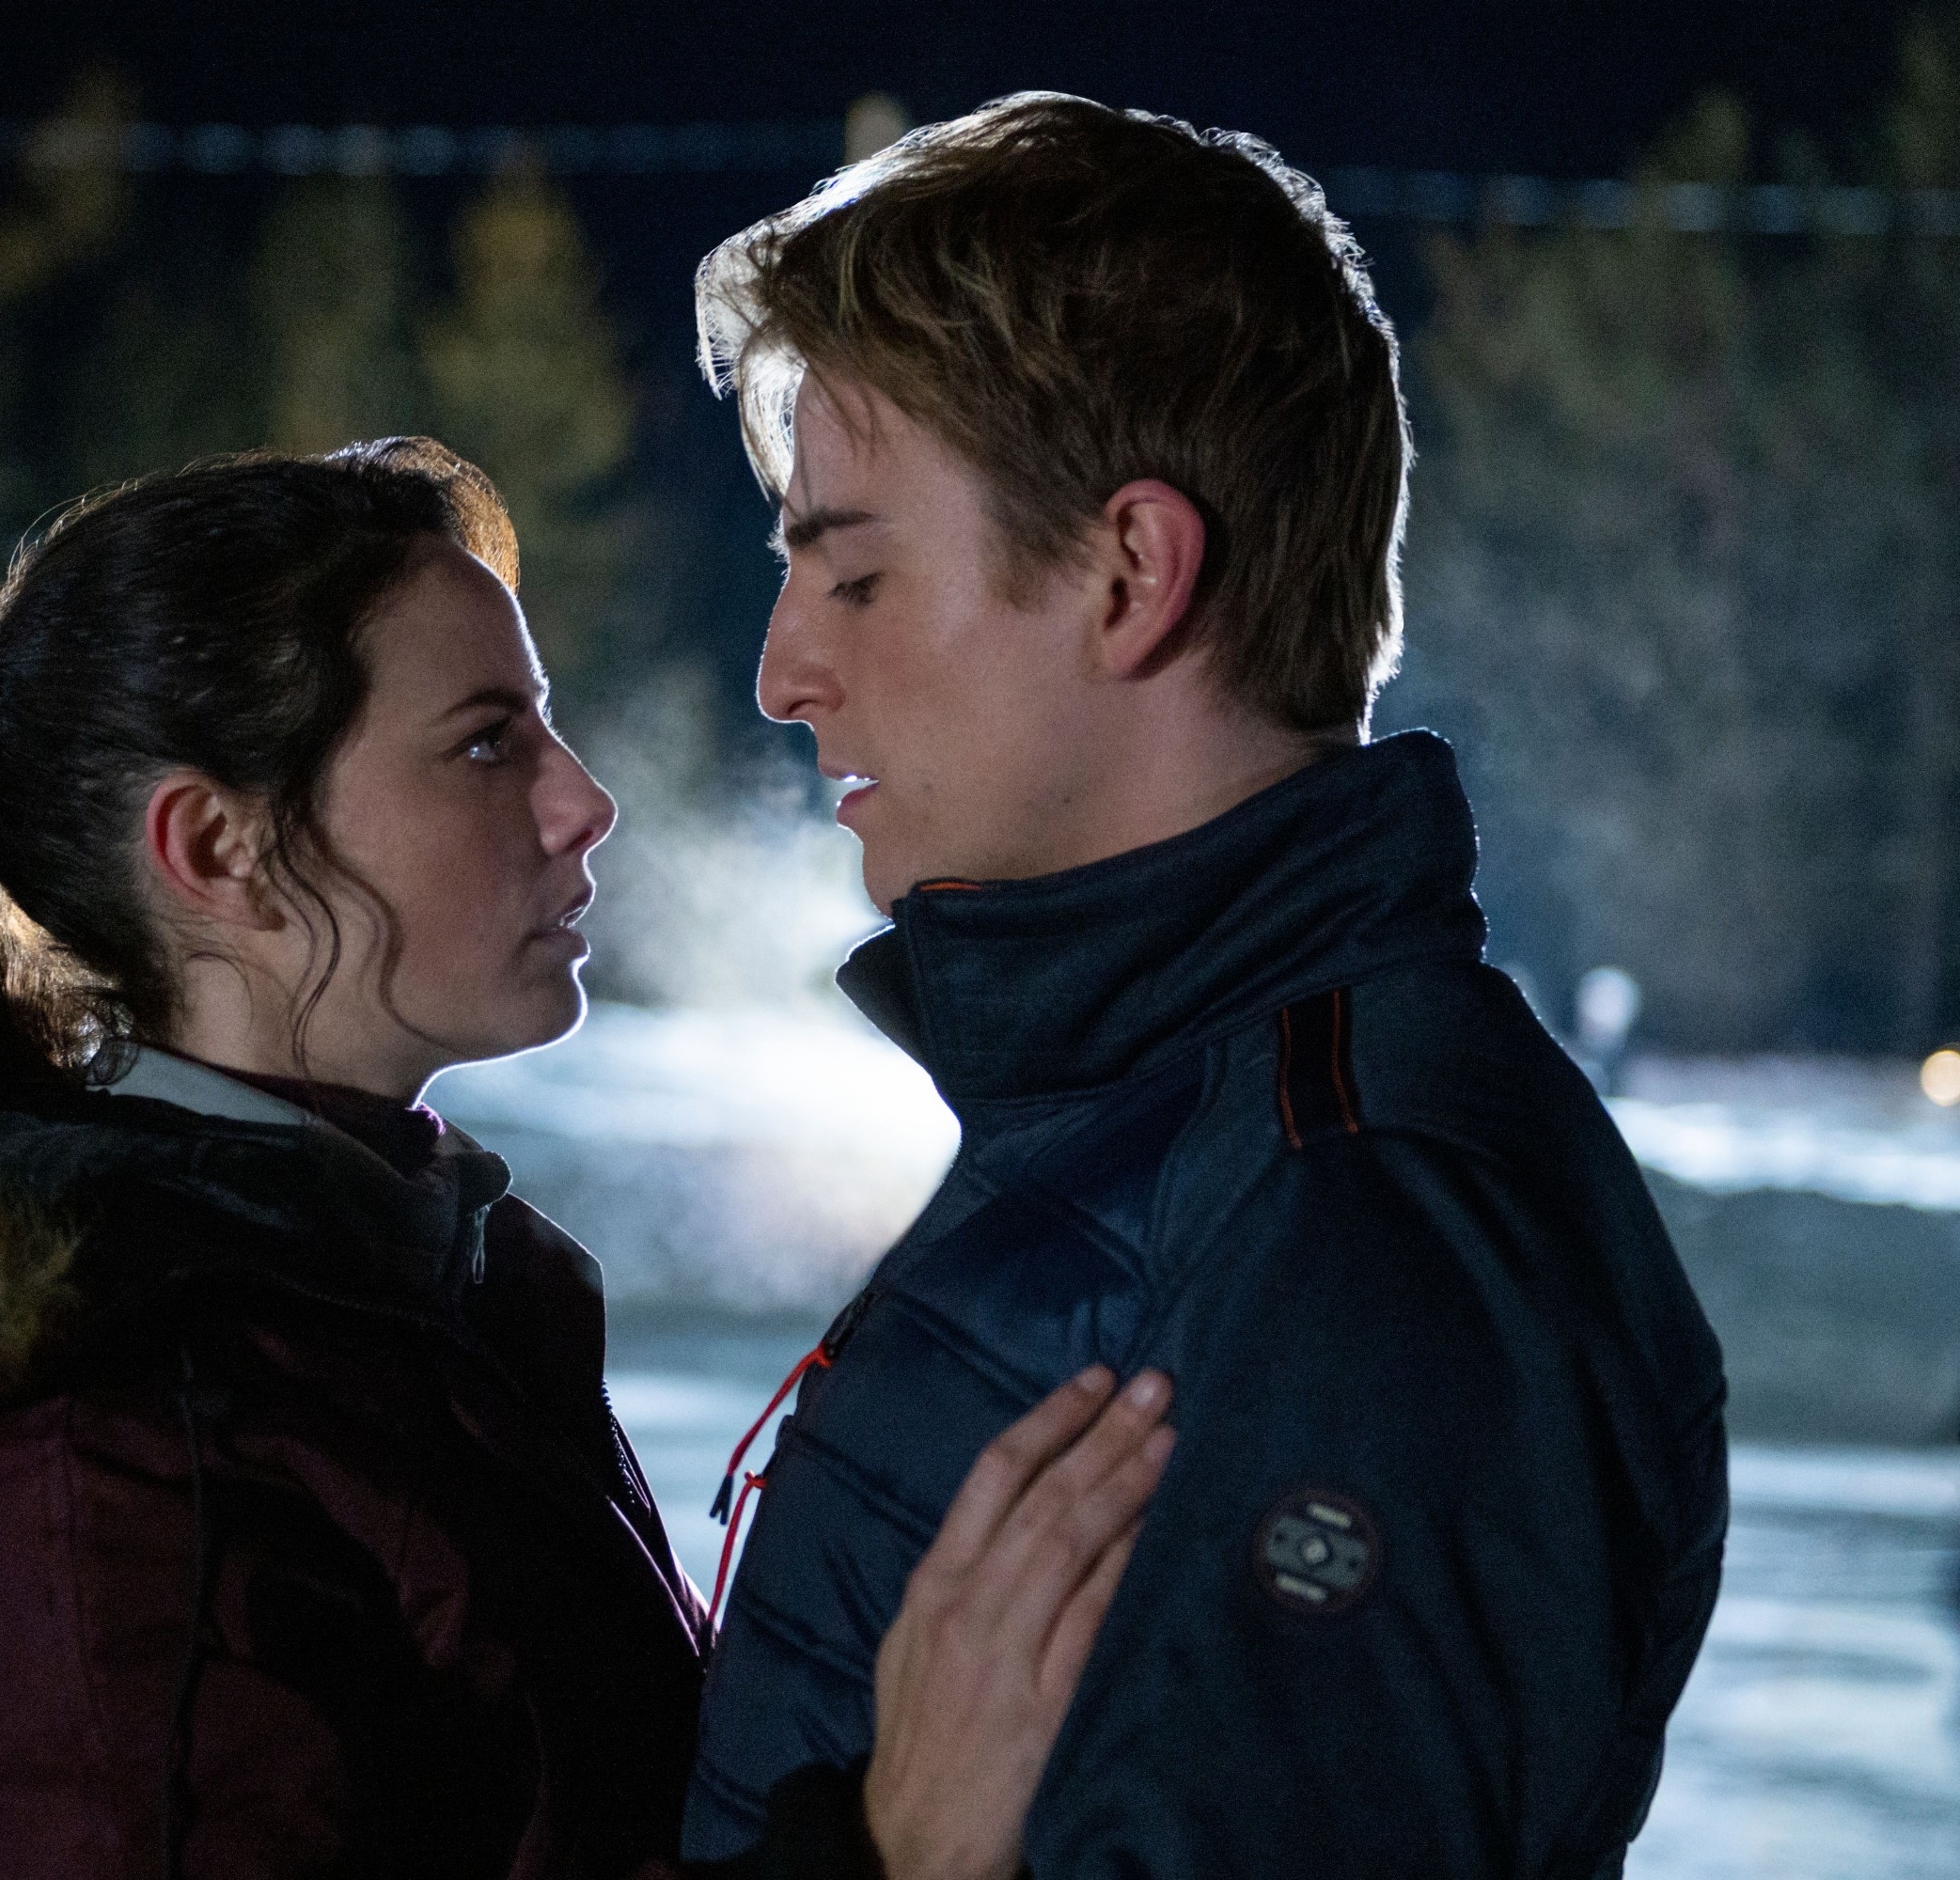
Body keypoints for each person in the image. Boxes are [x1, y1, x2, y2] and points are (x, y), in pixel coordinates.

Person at [0, 440, 1175, 1880]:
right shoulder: (84, 1459)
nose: (585, 802)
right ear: (217, 852)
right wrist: (890, 1854)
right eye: (487, 746)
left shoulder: (380, 1291)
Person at [680, 96, 1729, 1879]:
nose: (785, 674)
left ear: (1129, 575)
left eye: (856, 573)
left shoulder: (1352, 1222)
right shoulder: (1168, 1121)